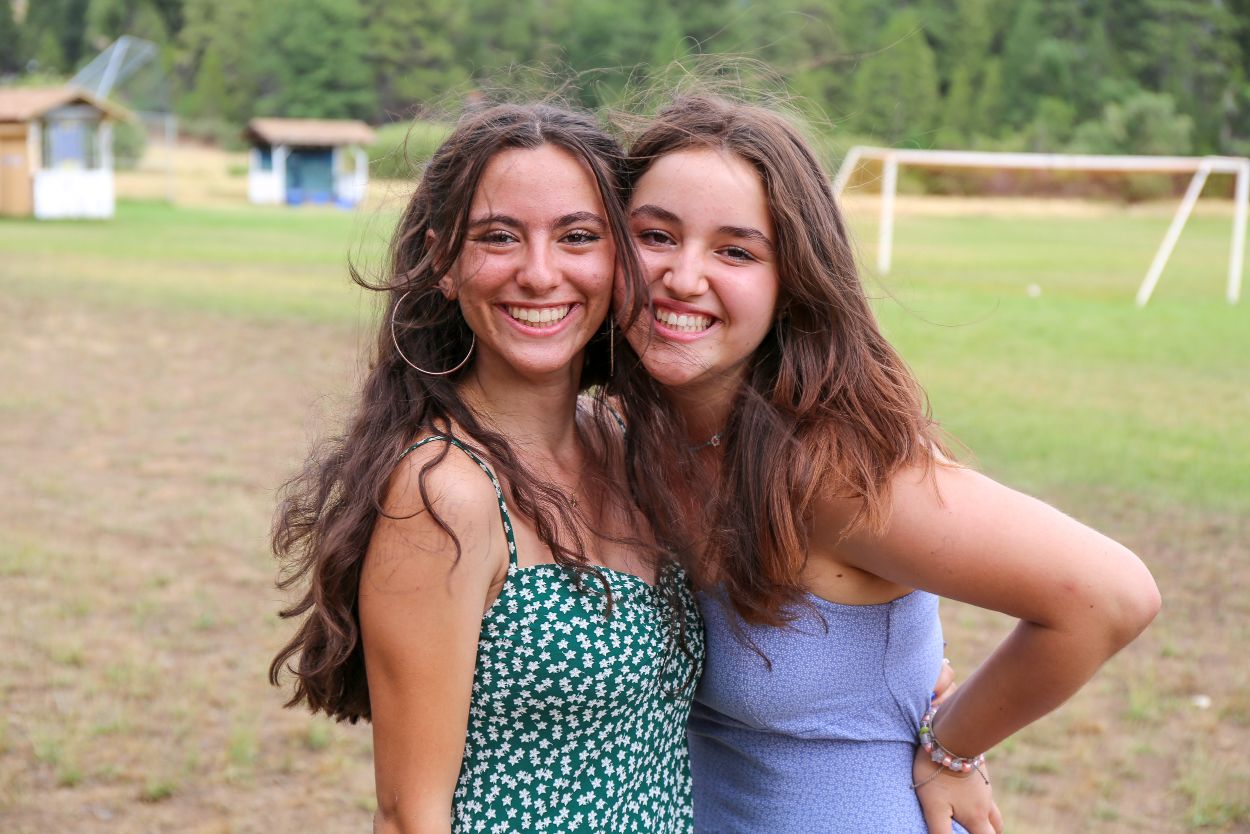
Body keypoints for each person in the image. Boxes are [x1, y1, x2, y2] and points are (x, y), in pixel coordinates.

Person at [616, 94, 1162, 834]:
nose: (683, 276)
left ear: (793, 282)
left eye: (736, 251)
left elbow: (1110, 596)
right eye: (655, 236)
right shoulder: (628, 435)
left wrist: (952, 746)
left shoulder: (830, 470)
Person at [268, 102, 703, 834]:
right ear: (443, 262)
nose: (539, 273)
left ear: (621, 259)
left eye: (578, 236)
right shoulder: (445, 494)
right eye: (499, 236)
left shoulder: (626, 444)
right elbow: (409, 817)